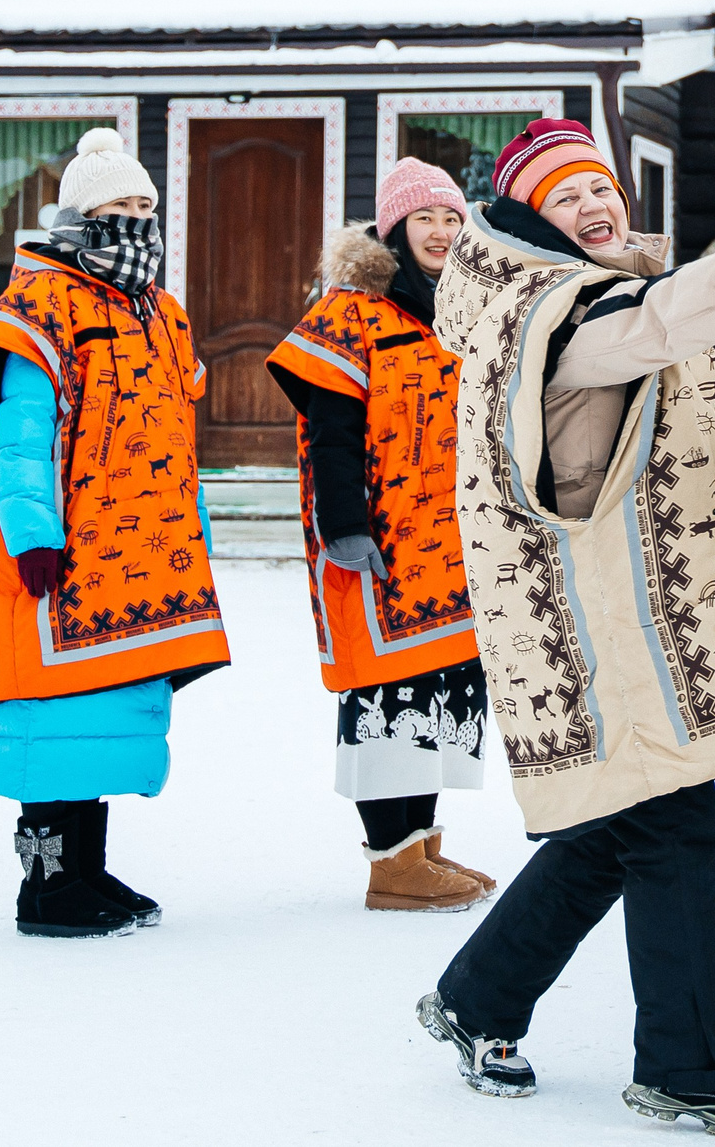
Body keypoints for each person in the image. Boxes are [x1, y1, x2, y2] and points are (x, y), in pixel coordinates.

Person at [417, 117, 715, 1137]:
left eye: (600, 190)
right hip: (600, 620)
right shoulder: (555, 318)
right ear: (531, 219)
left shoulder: (590, 295)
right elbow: (653, 327)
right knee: (673, 830)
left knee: (620, 825)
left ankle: (476, 996)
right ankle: (690, 1070)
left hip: (638, 612)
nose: (595, 207)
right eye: (567, 199)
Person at [0, 127, 229, 938]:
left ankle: (87, 869)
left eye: (145, 204)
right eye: (119, 205)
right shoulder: (35, 309)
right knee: (51, 715)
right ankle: (45, 888)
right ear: (80, 213)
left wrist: (196, 533)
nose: (137, 217)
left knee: (107, 717)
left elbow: (174, 439)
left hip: (141, 557)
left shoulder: (157, 309)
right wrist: (30, 534)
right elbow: (22, 434)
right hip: (61, 555)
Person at [267, 157, 494, 913]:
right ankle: (390, 863)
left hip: (454, 545)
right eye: (425, 217)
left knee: (440, 692)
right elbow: (329, 433)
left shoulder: (459, 308)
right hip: (380, 544)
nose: (440, 230)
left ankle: (423, 845)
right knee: (389, 692)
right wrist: (344, 526)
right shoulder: (350, 314)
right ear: (394, 230)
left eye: (452, 217)